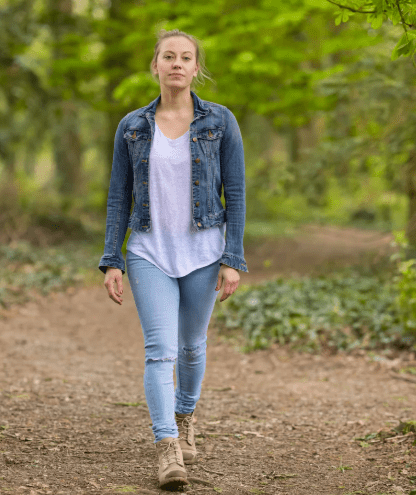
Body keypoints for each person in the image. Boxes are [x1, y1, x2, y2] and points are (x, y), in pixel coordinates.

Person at [99, 29, 247, 490]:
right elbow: (118, 196)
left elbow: (236, 193)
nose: (177, 64)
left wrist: (232, 257)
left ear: (196, 67)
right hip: (148, 251)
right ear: (156, 66)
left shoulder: (221, 121)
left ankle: (185, 417)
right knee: (160, 351)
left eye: (186, 57)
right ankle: (167, 449)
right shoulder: (133, 126)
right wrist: (113, 258)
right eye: (169, 56)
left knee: (192, 346)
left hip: (204, 251)